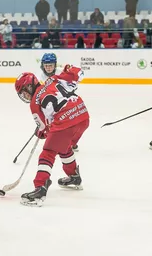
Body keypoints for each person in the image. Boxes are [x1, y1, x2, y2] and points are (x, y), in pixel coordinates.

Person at [14, 65, 89, 207]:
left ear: (29, 87)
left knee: (48, 152)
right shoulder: (53, 79)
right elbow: (79, 74)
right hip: (83, 116)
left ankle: (40, 188)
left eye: (24, 93)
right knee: (64, 146)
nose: (24, 96)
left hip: (66, 122)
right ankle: (74, 177)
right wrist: (69, 69)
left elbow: (44, 129)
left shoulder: (34, 105)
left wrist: (41, 132)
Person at [37, 53, 79, 152]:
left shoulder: (61, 73)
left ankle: (72, 141)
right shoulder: (40, 78)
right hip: (51, 104)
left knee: (70, 121)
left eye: (50, 65)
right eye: (46, 65)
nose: (48, 68)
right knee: (52, 123)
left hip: (64, 101)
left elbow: (74, 83)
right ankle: (54, 141)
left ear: (55, 65)